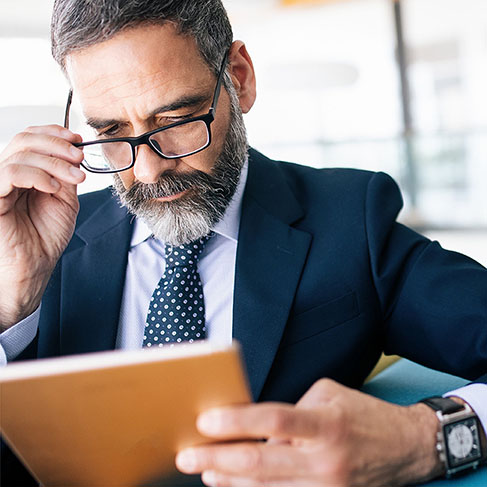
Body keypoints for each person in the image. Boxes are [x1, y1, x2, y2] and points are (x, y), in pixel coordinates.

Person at [0, 1, 486, 486]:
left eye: (175, 121)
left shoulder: (351, 220)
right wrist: (10, 304)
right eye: (111, 132)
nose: (148, 171)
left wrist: (423, 440)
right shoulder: (48, 241)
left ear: (240, 77)